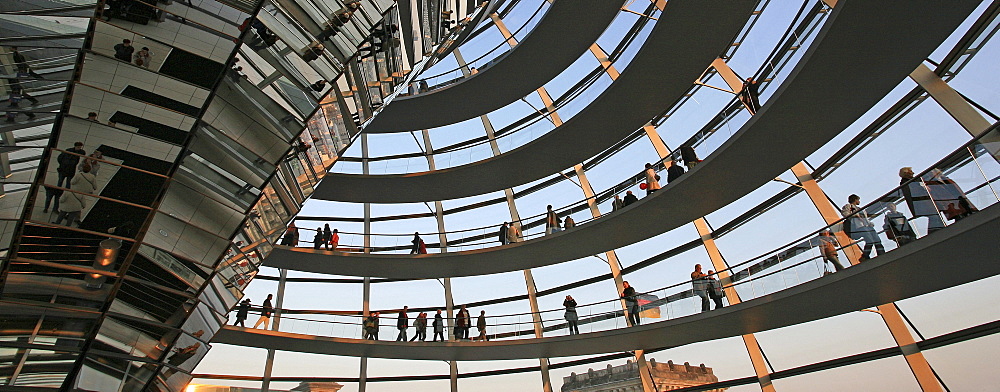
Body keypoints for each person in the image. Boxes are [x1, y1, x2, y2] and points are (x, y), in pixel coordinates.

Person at [899, 167, 946, 233]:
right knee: (934, 216)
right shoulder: (906, 182)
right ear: (906, 173)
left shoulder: (913, 180)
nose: (913, 172)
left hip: (924, 202)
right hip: (922, 203)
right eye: (910, 171)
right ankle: (935, 232)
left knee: (935, 216)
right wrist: (924, 188)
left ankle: (937, 230)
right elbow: (915, 192)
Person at [841, 194, 884, 261]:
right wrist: (855, 216)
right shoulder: (848, 206)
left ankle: (880, 253)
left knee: (876, 238)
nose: (859, 201)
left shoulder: (861, 209)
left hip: (865, 226)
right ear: (855, 200)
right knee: (870, 240)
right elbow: (845, 214)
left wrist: (869, 223)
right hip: (858, 227)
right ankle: (865, 256)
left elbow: (865, 219)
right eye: (858, 200)